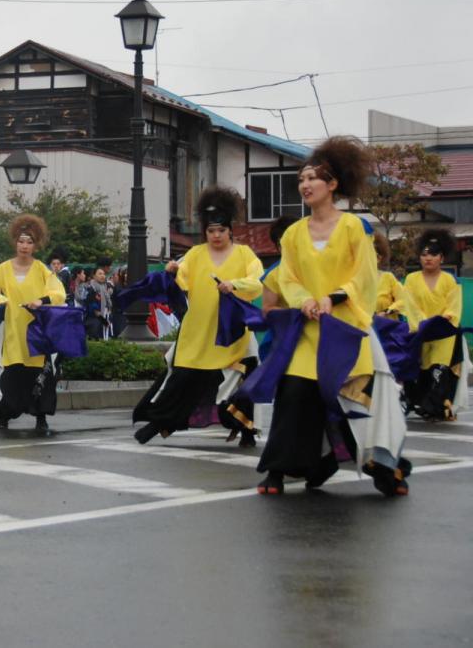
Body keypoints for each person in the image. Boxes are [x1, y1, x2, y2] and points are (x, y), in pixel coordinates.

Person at [256, 136, 409, 497]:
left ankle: (385, 470)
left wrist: (335, 297)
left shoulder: (355, 228)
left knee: (357, 401)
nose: (305, 185)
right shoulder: (293, 235)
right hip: (307, 331)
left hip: (347, 330)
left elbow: (365, 276)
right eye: (302, 179)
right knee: (293, 395)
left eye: (313, 179)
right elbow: (287, 277)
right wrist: (304, 300)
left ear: (333, 185)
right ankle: (276, 471)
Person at [132, 187, 263, 447]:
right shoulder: (196, 254)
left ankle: (246, 429)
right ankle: (159, 422)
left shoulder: (244, 254)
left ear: (230, 231)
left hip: (231, 332)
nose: (216, 235)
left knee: (241, 378)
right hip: (199, 331)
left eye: (221, 230)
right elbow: (181, 279)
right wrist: (171, 272)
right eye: (211, 231)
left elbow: (257, 280)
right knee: (183, 378)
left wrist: (234, 284)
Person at [0, 214, 67, 435]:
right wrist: (0, 300)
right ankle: (4, 416)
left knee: (39, 377)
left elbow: (59, 293)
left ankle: (41, 417)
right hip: (13, 331)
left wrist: (41, 301)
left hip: (36, 331)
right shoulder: (3, 269)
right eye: (21, 241)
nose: (24, 246)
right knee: (12, 377)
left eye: (29, 242)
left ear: (35, 245)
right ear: (15, 242)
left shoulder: (41, 269)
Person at [403, 228, 467, 422]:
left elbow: (454, 307)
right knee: (422, 370)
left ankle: (436, 406)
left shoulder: (450, 280)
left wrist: (442, 319)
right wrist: (423, 322)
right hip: (421, 332)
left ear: (442, 258)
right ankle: (423, 403)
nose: (428, 258)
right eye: (424, 255)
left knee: (439, 370)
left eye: (433, 254)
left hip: (444, 334)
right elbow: (410, 305)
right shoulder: (411, 280)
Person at [372, 232, 414, 320]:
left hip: (387, 326)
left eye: (371, 255)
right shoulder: (355, 280)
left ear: (379, 258)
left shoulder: (388, 277)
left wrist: (387, 311)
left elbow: (403, 300)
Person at [78, 266, 113, 340]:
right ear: (94, 276)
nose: (102, 276)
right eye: (100, 274)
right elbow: (94, 309)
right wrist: (104, 322)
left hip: (104, 319)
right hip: (94, 321)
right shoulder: (90, 289)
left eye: (103, 274)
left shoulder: (104, 288)